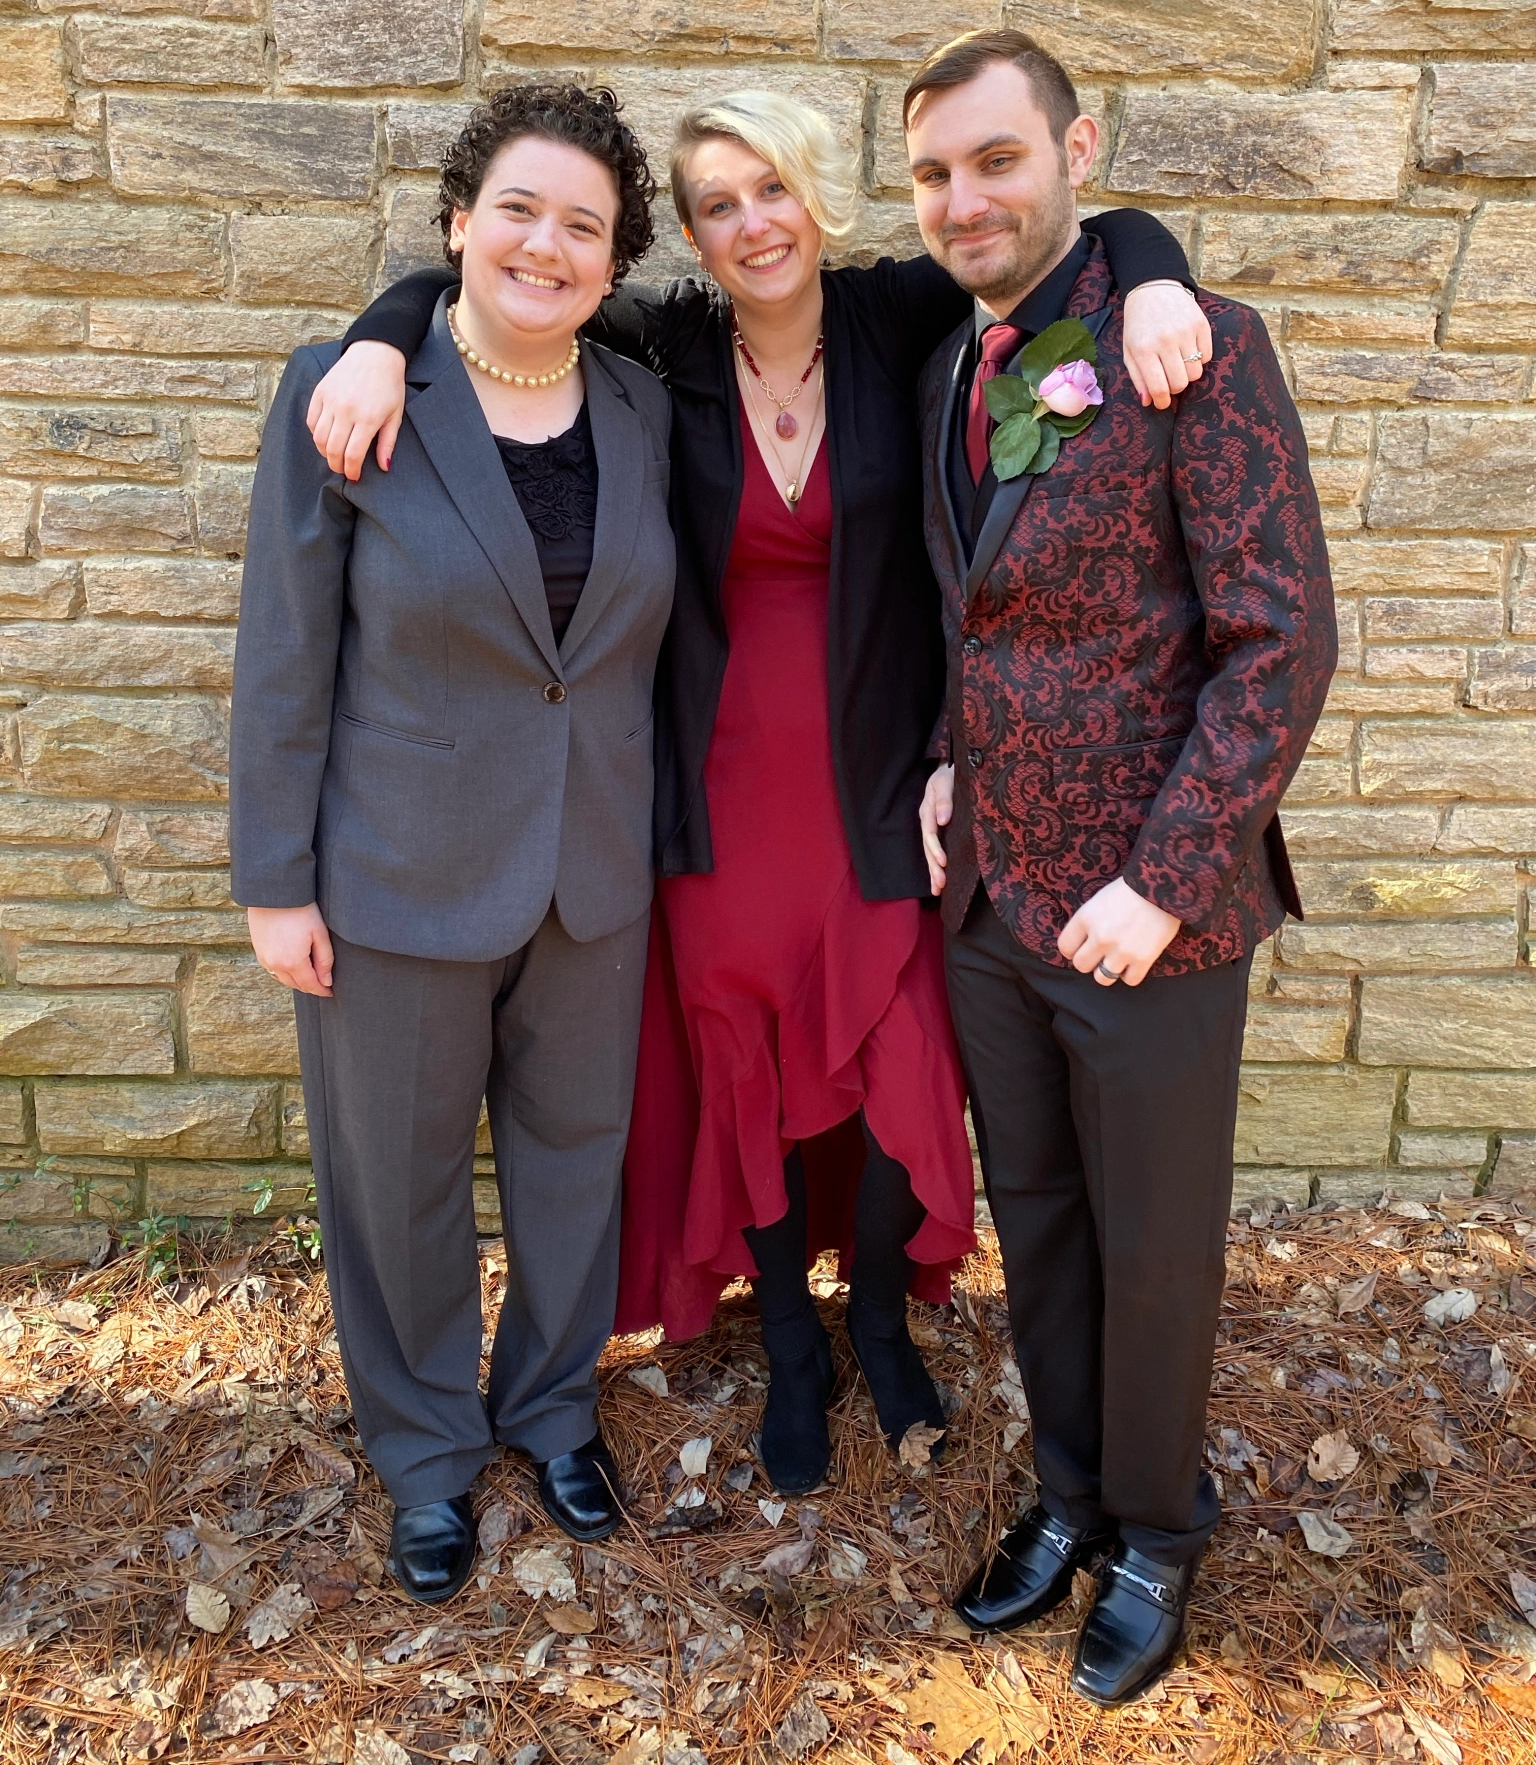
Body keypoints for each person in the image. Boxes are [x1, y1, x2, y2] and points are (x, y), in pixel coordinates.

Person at [300, 91, 1209, 1498]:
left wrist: (1155, 278)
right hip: (710, 788)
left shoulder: (902, 317)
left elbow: (1073, 292)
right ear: (692, 235)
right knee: (749, 1057)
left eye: (770, 190)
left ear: (817, 196)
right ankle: (789, 1340)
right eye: (717, 204)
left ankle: (880, 1322)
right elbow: (501, 287)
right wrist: (380, 326)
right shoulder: (660, 346)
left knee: (903, 1041)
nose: (751, 225)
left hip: (879, 771)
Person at [905, 30, 1336, 1703]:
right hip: (994, 906)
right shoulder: (956, 367)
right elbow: (974, 616)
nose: (965, 198)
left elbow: (1278, 641)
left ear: (1080, 150)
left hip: (1150, 914)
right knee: (1047, 1227)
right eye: (937, 171)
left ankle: (1161, 1524)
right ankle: (1073, 1489)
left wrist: (1162, 878)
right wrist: (943, 763)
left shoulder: (1194, 345)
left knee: (1155, 1243)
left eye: (997, 159)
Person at [230, 82, 676, 1605]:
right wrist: (273, 880)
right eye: (518, 211)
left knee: (574, 1165)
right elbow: (284, 655)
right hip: (396, 871)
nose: (546, 247)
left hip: (594, 869)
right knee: (396, 1180)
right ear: (456, 222)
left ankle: (549, 1410)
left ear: (616, 264)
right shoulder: (355, 393)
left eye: (585, 226)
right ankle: (425, 1452)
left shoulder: (638, 402)